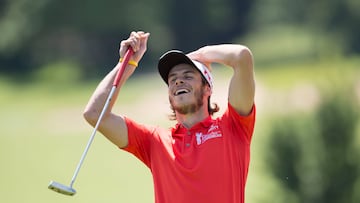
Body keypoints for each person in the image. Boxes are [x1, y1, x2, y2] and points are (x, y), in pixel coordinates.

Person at [83, 31, 256, 203]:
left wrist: (198, 55)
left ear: (207, 88)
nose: (178, 81)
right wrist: (125, 65)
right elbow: (95, 114)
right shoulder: (155, 141)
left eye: (188, 76)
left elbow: (241, 56)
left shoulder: (233, 127)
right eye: (172, 79)